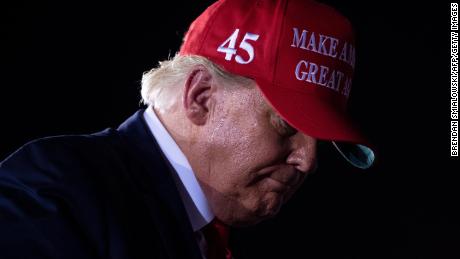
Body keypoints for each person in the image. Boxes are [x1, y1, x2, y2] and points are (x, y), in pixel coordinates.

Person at [0, 0, 375, 258]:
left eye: (320, 139)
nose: (308, 160)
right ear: (200, 96)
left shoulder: (204, 231)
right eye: (287, 124)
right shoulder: (56, 193)